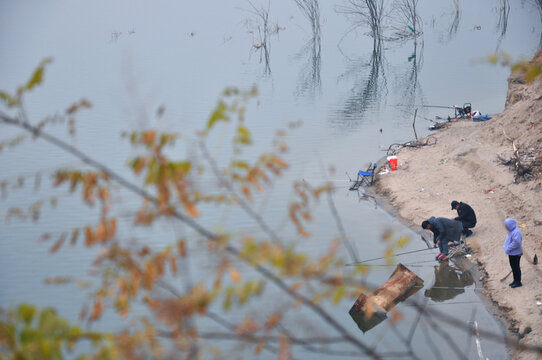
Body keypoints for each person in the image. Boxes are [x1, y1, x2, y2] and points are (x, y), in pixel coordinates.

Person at [504, 218, 523, 288]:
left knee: (516, 267)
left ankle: (518, 281)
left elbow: (516, 243)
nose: (505, 227)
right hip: (511, 253)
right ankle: (515, 280)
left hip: (515, 253)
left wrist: (508, 248)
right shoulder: (511, 231)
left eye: (506, 226)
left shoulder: (516, 232)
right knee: (513, 267)